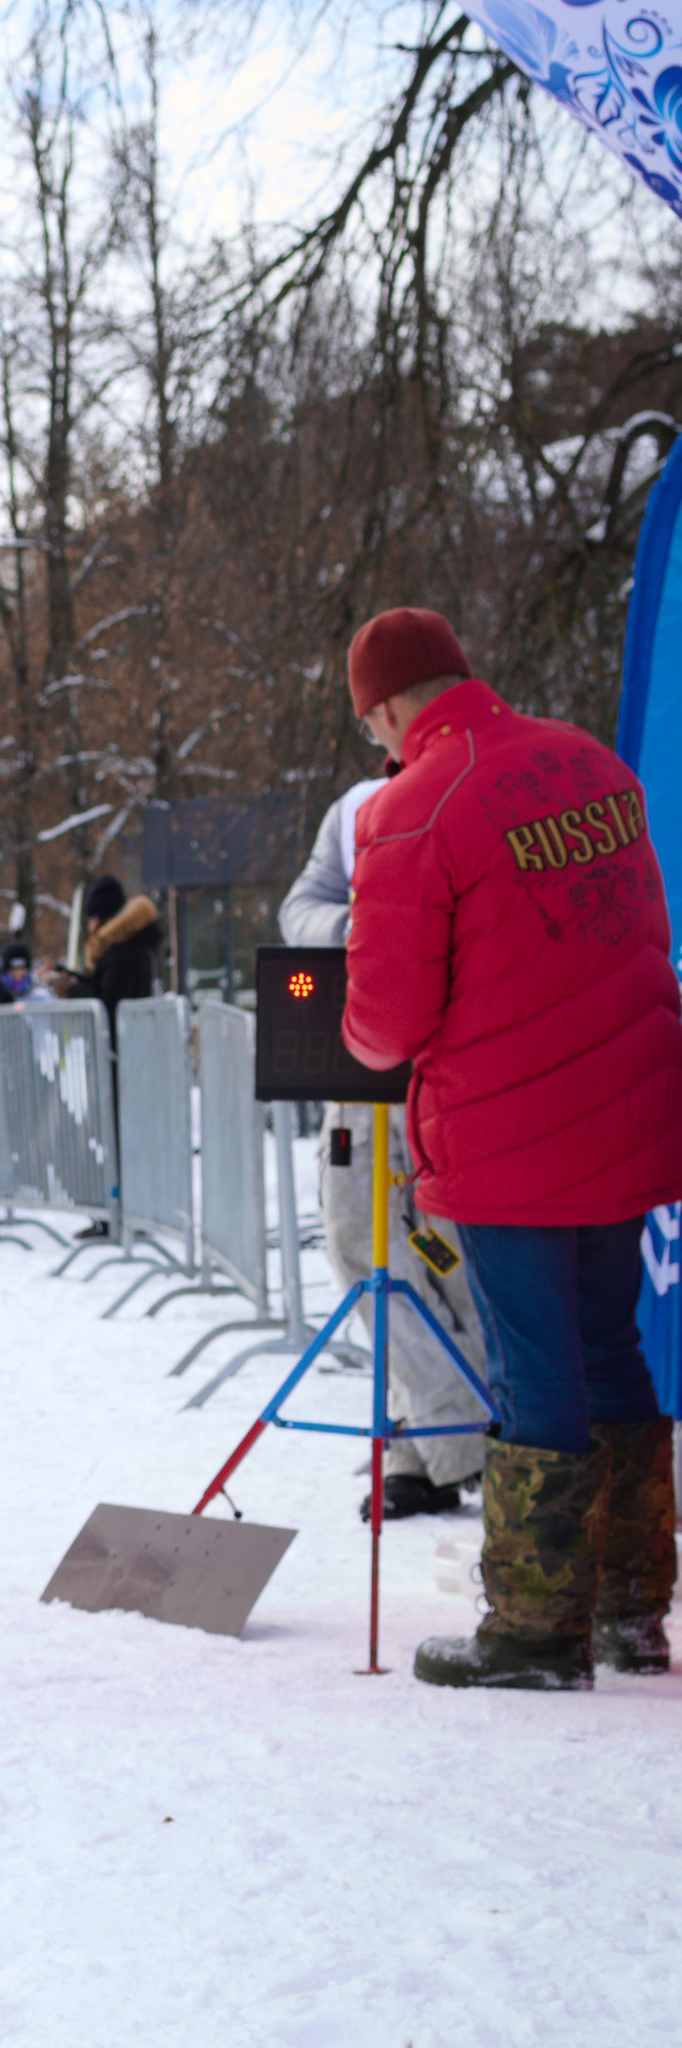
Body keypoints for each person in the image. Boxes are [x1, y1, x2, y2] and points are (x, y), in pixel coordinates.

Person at [342, 606, 682, 1688]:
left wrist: (347, 1027)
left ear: (388, 706)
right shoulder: (590, 764)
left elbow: (385, 1024)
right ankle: (634, 1609)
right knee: (611, 1346)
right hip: (629, 1112)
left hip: (510, 1138)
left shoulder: (410, 807)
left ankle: (537, 1631)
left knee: (536, 1365)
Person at [280, 775, 485, 1519]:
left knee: (446, 1257)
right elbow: (298, 908)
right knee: (359, 1250)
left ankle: (431, 1444)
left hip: (449, 1065)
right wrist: (360, 928)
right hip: (361, 1054)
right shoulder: (355, 803)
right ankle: (448, 1434)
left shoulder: (469, 790)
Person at [56, 871, 161, 1013]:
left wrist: (71, 990)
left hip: (124, 1034)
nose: (90, 927)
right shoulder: (127, 948)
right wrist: (66, 974)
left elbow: (108, 1004)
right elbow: (103, 986)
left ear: (102, 920)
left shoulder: (122, 956)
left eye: (92, 919)